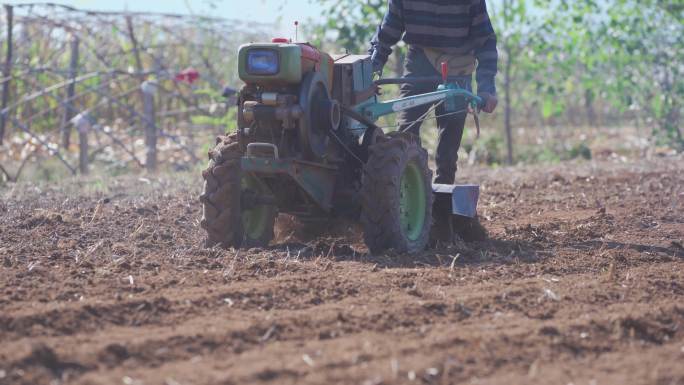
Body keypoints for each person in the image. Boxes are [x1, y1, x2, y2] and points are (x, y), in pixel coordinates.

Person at [369, 0, 498, 243]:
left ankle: (440, 223)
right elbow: (387, 32)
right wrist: (372, 68)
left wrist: (487, 87)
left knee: (447, 152)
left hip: (457, 67)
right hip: (420, 61)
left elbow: (485, 42)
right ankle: (400, 208)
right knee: (405, 135)